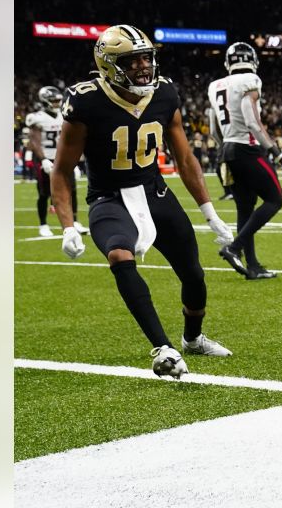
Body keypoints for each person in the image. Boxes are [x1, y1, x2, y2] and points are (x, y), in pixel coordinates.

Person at [52, 25, 238, 378]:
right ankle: (163, 348)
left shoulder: (165, 93)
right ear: (108, 64)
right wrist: (67, 226)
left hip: (156, 193)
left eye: (146, 58)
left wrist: (209, 212)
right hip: (109, 198)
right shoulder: (86, 100)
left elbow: (184, 158)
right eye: (132, 60)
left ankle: (193, 339)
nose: (143, 66)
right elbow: (61, 170)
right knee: (119, 255)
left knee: (194, 275)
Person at [206, 42, 280, 280]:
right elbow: (252, 122)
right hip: (246, 148)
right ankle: (234, 247)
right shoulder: (251, 80)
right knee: (274, 199)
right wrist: (275, 149)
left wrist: (223, 149)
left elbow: (213, 127)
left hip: (227, 149)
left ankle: (253, 266)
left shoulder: (215, 86)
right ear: (253, 61)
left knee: (245, 208)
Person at [26, 86, 87, 237]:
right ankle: (43, 225)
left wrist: (76, 161)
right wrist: (43, 160)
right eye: (53, 101)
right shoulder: (38, 117)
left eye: (58, 101)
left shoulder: (63, 115)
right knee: (44, 193)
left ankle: (75, 221)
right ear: (45, 101)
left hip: (62, 157)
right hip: (44, 158)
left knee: (71, 189)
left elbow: (71, 139)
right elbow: (34, 141)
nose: (56, 103)